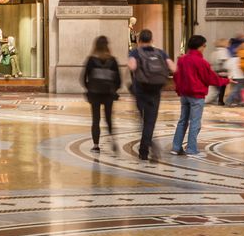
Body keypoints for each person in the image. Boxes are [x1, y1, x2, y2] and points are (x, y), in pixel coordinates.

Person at [171, 34, 226, 157]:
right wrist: (226, 81)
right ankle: (191, 149)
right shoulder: (201, 62)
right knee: (195, 122)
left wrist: (179, 90)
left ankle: (175, 147)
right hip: (196, 95)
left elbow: (176, 76)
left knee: (182, 121)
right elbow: (210, 79)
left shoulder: (182, 60)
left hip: (184, 95)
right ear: (200, 47)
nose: (204, 48)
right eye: (204, 46)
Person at [125, 29, 169, 161]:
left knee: (142, 121)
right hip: (155, 91)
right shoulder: (160, 52)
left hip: (141, 90)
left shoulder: (135, 52)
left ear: (139, 41)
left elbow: (132, 66)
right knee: (150, 122)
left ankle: (145, 149)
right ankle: (146, 148)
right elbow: (173, 67)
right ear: (152, 40)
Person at [81, 35, 121, 153]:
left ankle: (96, 145)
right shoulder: (112, 60)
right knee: (109, 118)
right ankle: (113, 139)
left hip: (94, 94)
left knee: (96, 119)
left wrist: (89, 88)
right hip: (108, 94)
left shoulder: (91, 60)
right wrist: (113, 89)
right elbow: (118, 80)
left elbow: (83, 78)